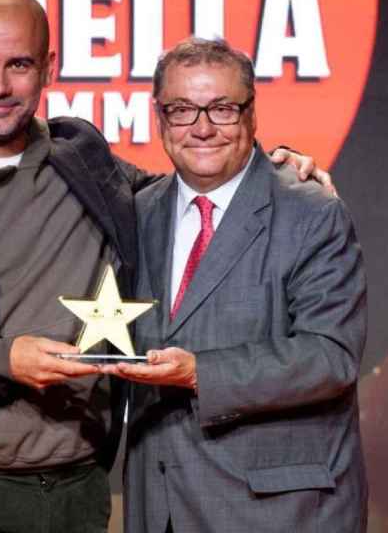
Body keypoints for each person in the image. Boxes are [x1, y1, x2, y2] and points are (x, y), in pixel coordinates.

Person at [0, 0, 325, 533]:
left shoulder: (82, 157)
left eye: (18, 64)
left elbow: (191, 191)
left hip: (79, 490)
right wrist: (0, 360)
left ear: (50, 67)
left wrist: (276, 169)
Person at [105, 38, 367, 533]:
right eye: (182, 110)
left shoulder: (312, 211)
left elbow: (331, 357)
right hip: (159, 507)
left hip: (277, 513)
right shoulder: (137, 212)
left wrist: (199, 372)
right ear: (160, 118)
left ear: (251, 113)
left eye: (222, 109)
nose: (202, 128)